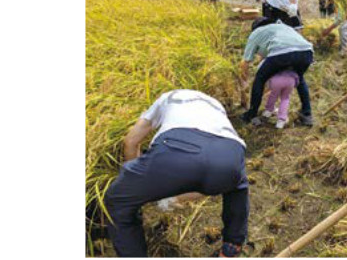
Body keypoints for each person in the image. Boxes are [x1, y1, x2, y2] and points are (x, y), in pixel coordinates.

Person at [104, 89, 249, 257]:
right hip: (229, 153)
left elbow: (131, 141)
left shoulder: (168, 97)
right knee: (238, 183)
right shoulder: (215, 105)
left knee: (117, 200)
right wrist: (173, 199)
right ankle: (232, 246)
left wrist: (135, 188)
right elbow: (205, 173)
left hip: (177, 146)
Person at [240, 18, 314, 126]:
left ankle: (252, 113)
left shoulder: (255, 33)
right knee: (300, 79)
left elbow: (245, 62)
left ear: (255, 28)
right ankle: (307, 115)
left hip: (282, 51)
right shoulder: (283, 27)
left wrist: (244, 83)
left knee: (260, 78)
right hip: (306, 51)